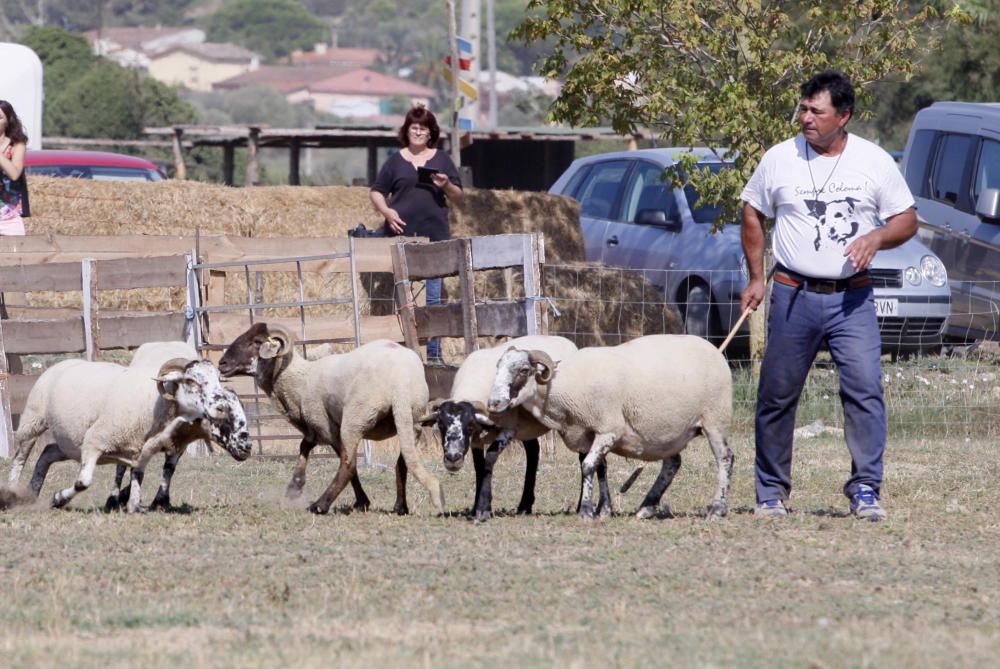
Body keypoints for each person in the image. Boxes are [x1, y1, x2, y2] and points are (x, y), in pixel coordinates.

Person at [739, 70, 917, 521]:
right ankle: (771, 493)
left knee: (864, 392)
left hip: (852, 300)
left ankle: (865, 489)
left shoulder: (873, 161)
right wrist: (756, 278)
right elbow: (753, 212)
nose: (805, 118)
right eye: (803, 108)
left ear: (844, 116)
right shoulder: (778, 159)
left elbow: (907, 219)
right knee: (777, 395)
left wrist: (876, 238)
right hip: (793, 293)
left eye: (816, 111)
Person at [370, 105, 463, 364]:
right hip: (401, 241)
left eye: (423, 127)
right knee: (404, 299)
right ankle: (403, 358)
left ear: (430, 132)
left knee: (432, 299)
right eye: (414, 127)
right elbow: (376, 191)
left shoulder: (442, 159)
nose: (418, 131)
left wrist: (446, 185)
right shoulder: (395, 161)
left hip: (435, 239)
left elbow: (458, 195)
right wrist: (387, 212)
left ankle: (433, 358)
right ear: (407, 130)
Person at [0, 99, 29, 236]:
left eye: (0, 117)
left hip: (8, 218)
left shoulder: (17, 145)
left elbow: (14, 173)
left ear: (7, 122)